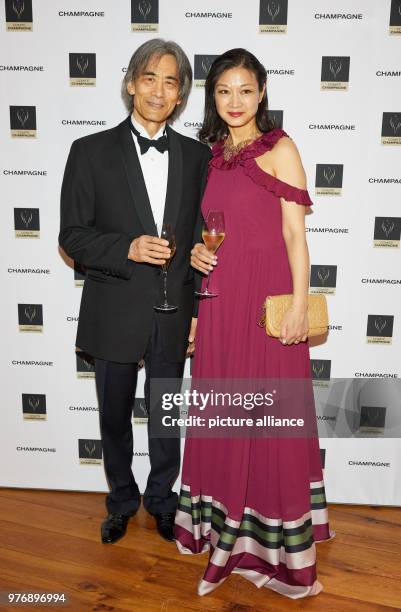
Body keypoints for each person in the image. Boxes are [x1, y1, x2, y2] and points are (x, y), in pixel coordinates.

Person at [174, 49, 334, 599]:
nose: (235, 101)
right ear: (212, 97)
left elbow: (295, 235)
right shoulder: (210, 157)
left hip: (267, 304)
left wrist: (297, 301)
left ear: (261, 93)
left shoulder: (281, 148)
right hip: (219, 300)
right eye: (224, 91)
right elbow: (212, 234)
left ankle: (272, 542)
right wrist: (197, 262)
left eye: (245, 90)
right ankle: (222, 527)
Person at [59, 39, 210, 544]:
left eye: (171, 82)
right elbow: (72, 236)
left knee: (166, 416)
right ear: (130, 84)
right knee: (113, 415)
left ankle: (164, 501)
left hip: (174, 310)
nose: (158, 90)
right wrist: (127, 248)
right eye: (150, 78)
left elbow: (200, 238)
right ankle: (121, 501)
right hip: (114, 308)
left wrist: (197, 308)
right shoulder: (89, 151)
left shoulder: (197, 157)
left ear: (181, 96)